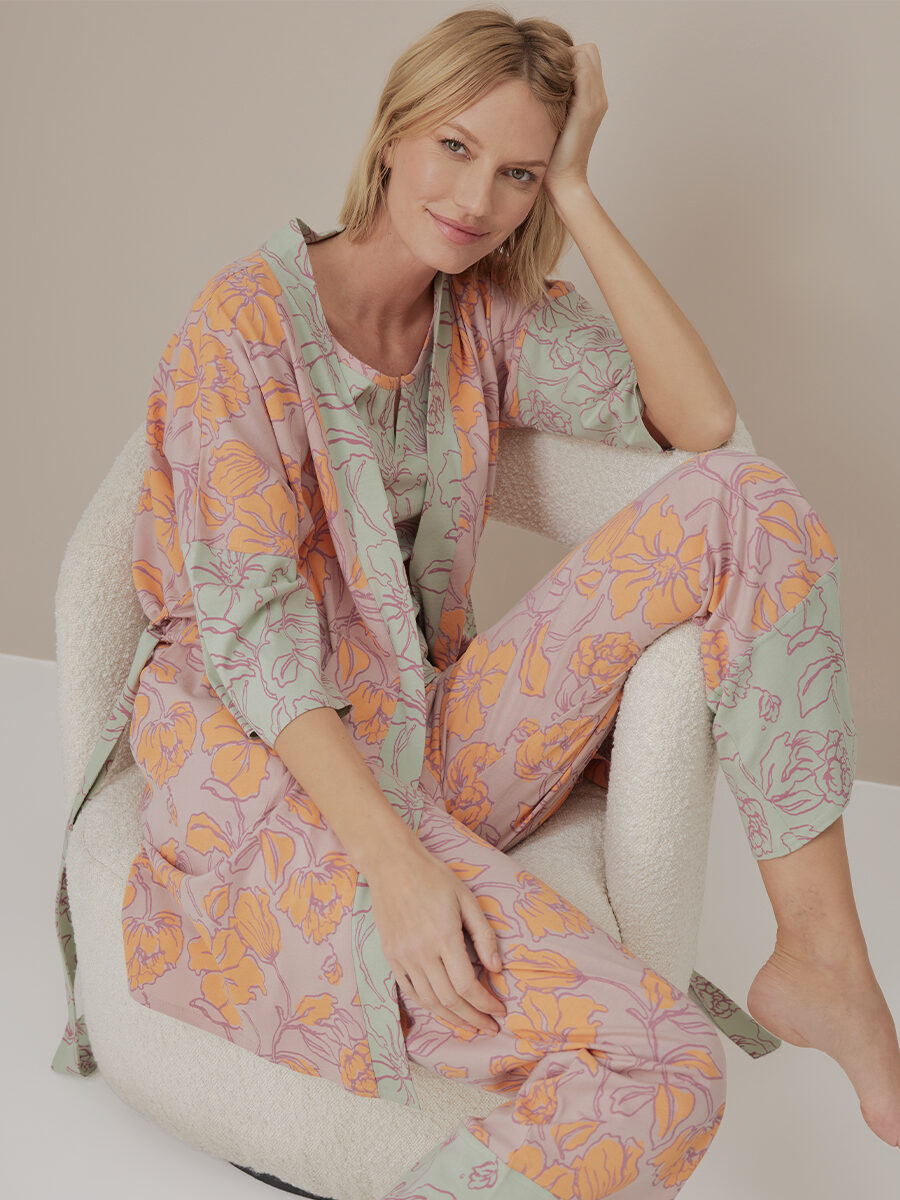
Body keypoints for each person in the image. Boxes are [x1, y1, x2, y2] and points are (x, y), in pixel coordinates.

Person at [51, 5, 899, 1195]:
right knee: (668, 1075)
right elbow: (257, 644)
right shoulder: (237, 327)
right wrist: (398, 871)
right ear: (393, 134)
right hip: (268, 767)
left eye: (517, 173)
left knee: (748, 502)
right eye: (455, 148)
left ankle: (819, 953)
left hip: (421, 725)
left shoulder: (485, 313)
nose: (476, 198)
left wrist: (585, 196)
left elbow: (705, 430)